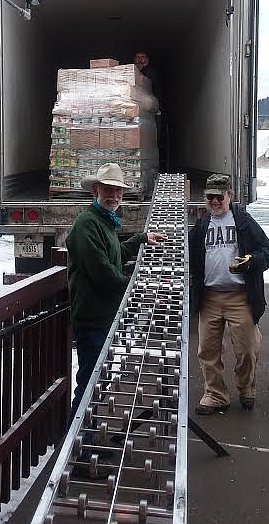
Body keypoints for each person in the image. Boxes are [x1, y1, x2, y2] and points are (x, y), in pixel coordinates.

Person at [66, 162, 166, 422]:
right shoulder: (87, 224)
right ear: (96, 191)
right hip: (92, 319)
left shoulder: (105, 222)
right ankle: (76, 451)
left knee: (100, 380)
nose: (114, 196)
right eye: (108, 190)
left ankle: (87, 439)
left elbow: (115, 255)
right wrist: (136, 287)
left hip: (105, 317)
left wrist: (141, 239)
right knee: (89, 385)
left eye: (118, 191)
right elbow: (102, 272)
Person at [189, 174, 269, 415]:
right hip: (210, 298)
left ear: (229, 196)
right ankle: (215, 394)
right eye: (210, 197)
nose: (214, 201)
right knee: (207, 350)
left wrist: (251, 261)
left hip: (240, 297)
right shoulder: (202, 224)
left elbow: (266, 250)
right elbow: (190, 256)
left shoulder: (244, 221)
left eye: (219, 196)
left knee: (248, 349)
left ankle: (246, 388)